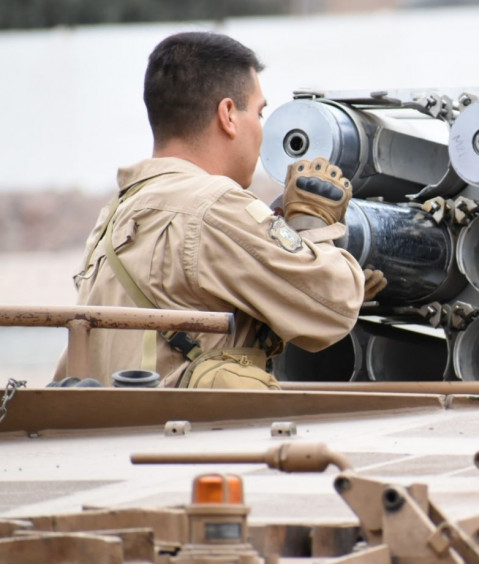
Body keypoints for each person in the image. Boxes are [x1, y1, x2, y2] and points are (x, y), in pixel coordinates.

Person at [53, 31, 384, 388]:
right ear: (228, 115)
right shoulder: (213, 206)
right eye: (259, 112)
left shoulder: (119, 210)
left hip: (118, 429)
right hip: (187, 431)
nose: (261, 129)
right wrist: (311, 223)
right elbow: (332, 307)